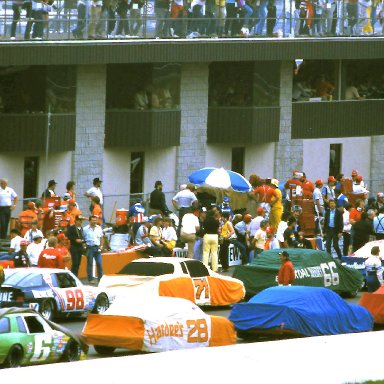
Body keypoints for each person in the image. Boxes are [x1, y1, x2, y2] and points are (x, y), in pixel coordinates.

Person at [83, 215, 105, 284]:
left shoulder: (99, 228)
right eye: (93, 220)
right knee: (90, 263)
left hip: (97, 247)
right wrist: (84, 246)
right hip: (89, 247)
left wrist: (101, 246)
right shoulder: (85, 229)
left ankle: (100, 279)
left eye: (95, 220)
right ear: (90, 221)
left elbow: (101, 238)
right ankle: (90, 279)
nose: (95, 221)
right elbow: (83, 238)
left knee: (99, 263)